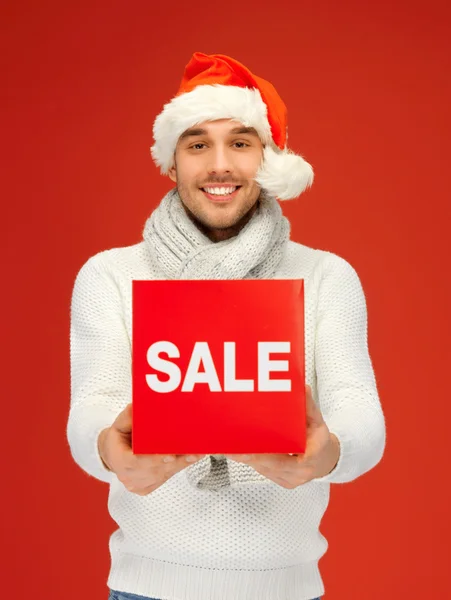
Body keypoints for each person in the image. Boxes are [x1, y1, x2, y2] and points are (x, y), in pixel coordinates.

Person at [68, 52, 386, 600]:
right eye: (197, 144)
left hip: (286, 590)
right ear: (171, 163)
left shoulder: (326, 276)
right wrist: (107, 449)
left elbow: (361, 414)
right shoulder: (110, 274)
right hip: (145, 588)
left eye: (240, 143)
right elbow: (90, 409)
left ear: (268, 158)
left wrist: (326, 453)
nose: (220, 165)